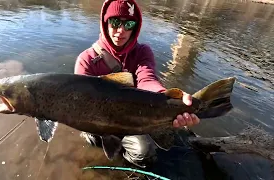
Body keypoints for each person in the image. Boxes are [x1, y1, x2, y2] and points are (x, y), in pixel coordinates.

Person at [74, 0, 200, 168]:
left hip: (130, 118)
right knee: (92, 137)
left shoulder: (142, 52)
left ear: (135, 26)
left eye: (129, 23)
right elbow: (80, 102)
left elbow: (146, 80)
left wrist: (167, 98)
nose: (121, 30)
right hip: (97, 119)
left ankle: (124, 159)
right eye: (115, 22)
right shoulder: (86, 60)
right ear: (106, 22)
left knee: (145, 153)